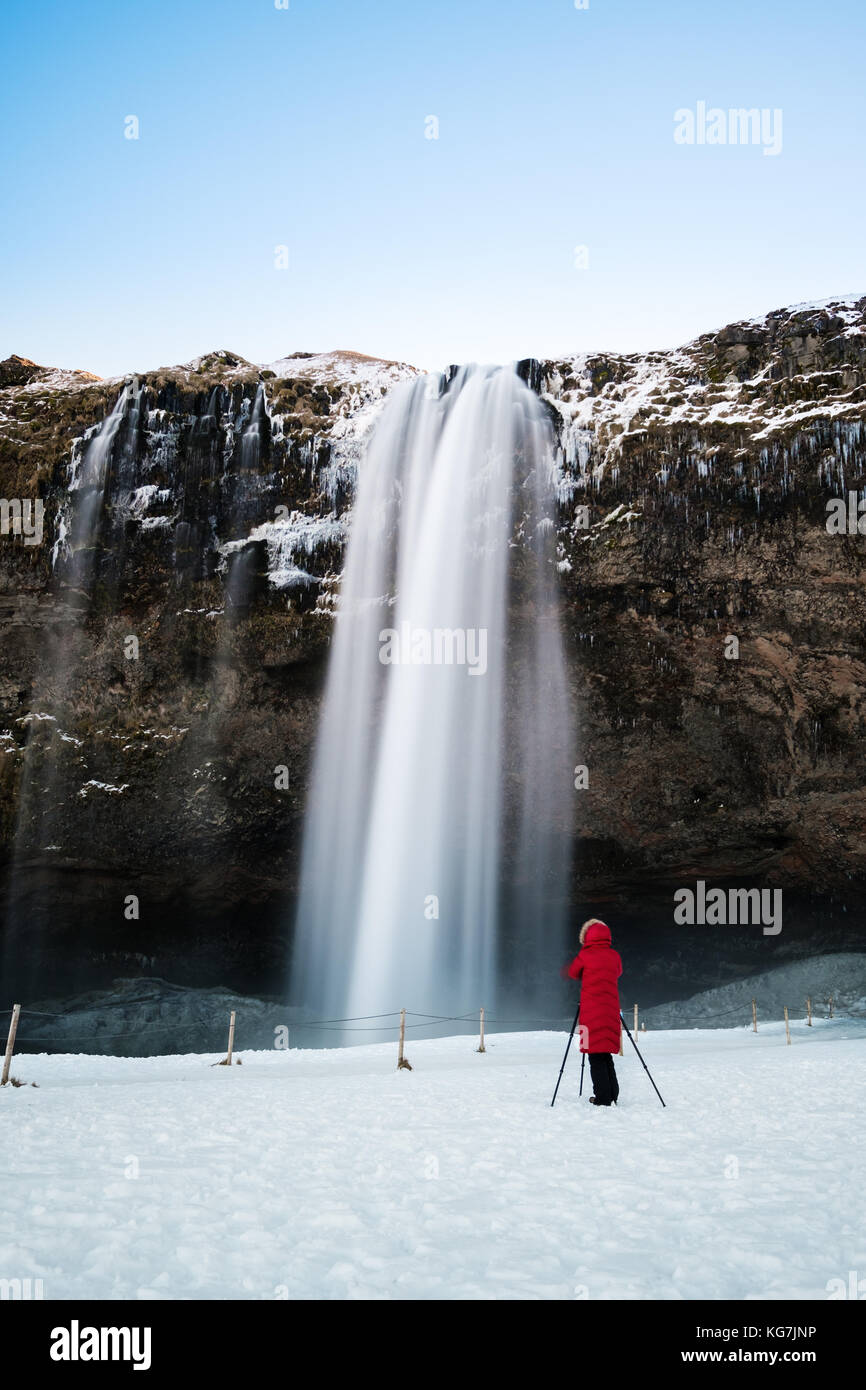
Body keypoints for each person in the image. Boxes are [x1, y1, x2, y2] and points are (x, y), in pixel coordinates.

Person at [565, 918, 623, 1106]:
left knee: (594, 1055)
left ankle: (603, 1098)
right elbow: (618, 972)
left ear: (586, 936)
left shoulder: (585, 955)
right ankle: (613, 1094)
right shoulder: (614, 955)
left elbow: (573, 973)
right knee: (606, 1054)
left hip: (590, 1014)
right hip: (611, 1011)